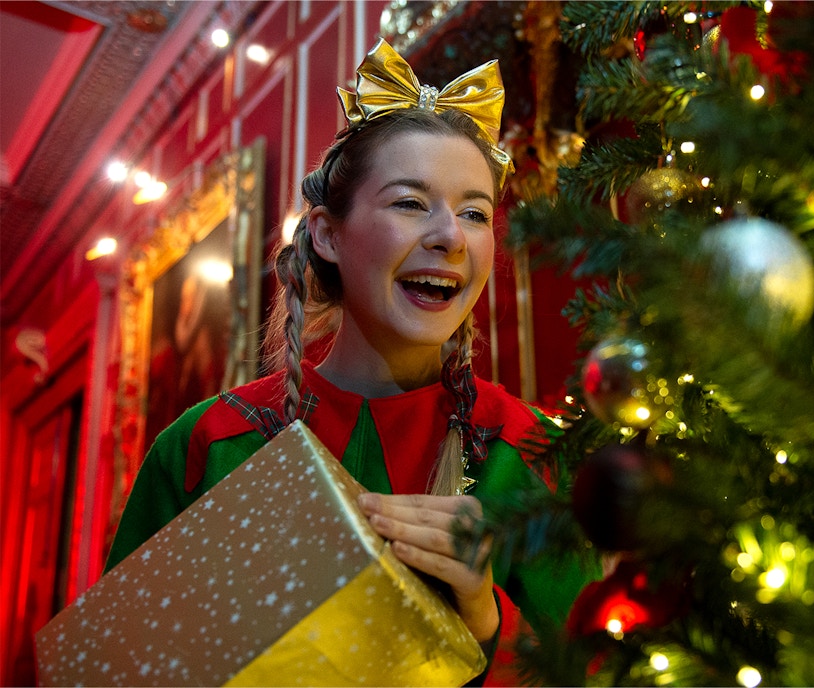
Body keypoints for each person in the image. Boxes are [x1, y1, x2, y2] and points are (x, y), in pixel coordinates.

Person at [105, 39, 596, 685]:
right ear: (327, 234)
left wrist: (485, 620)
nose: (450, 235)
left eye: (474, 212)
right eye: (409, 203)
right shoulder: (205, 447)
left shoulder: (532, 454)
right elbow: (120, 666)